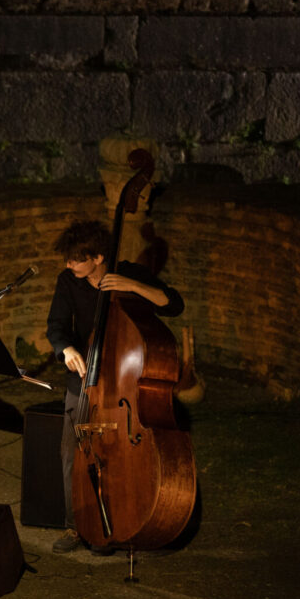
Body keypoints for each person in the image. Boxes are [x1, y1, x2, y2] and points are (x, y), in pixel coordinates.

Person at [45, 220, 184, 553]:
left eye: (75, 259)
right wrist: (66, 349)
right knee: (72, 454)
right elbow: (56, 326)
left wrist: (132, 286)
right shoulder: (68, 281)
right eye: (67, 259)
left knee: (119, 457)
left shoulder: (130, 274)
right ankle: (75, 526)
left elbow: (173, 304)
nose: (68, 264)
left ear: (98, 257)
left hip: (124, 385)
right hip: (85, 382)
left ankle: (116, 522)